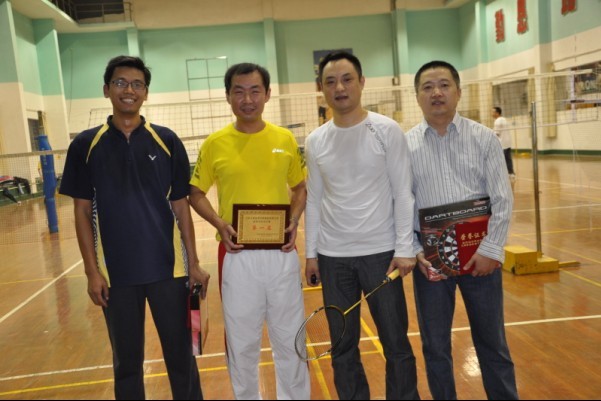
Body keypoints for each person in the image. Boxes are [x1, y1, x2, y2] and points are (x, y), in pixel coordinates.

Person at [59, 55, 210, 400]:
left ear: (146, 93)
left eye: (137, 84)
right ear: (106, 89)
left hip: (169, 270)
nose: (129, 90)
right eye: (120, 83)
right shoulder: (85, 145)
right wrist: (92, 271)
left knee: (182, 357)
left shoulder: (166, 140)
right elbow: (81, 211)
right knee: (126, 363)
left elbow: (181, 206)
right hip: (116, 275)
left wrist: (194, 262)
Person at [189, 63, 310, 400]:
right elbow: (195, 193)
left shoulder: (285, 139)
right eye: (239, 91)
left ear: (267, 94)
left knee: (291, 339)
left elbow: (300, 188)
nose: (247, 99)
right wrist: (220, 224)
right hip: (237, 255)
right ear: (228, 96)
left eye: (255, 91)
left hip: (281, 254)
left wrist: (294, 219)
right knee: (242, 343)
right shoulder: (215, 143)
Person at [304, 51, 420, 400]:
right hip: (333, 257)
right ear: (321, 88)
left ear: (361, 82)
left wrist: (404, 249)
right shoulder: (315, 140)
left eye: (347, 79)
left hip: (381, 255)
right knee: (342, 346)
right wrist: (311, 255)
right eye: (330, 82)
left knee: (395, 343)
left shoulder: (386, 130)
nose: (339, 88)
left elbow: (403, 192)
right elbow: (313, 199)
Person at [407, 60, 519, 400]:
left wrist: (491, 250)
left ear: (458, 91)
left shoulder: (484, 138)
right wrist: (415, 251)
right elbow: (399, 205)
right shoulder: (404, 146)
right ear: (417, 96)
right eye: (427, 87)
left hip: (479, 259)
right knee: (435, 346)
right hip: (430, 262)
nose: (436, 93)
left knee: (492, 343)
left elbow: (502, 198)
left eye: (444, 85)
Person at [493, 106, 516, 182]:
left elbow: (497, 134)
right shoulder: (504, 119)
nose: (491, 113)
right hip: (508, 143)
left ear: (497, 113)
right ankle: (511, 174)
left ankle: (501, 175)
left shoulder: (497, 121)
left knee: (500, 160)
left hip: (502, 144)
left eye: (493, 112)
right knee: (508, 159)